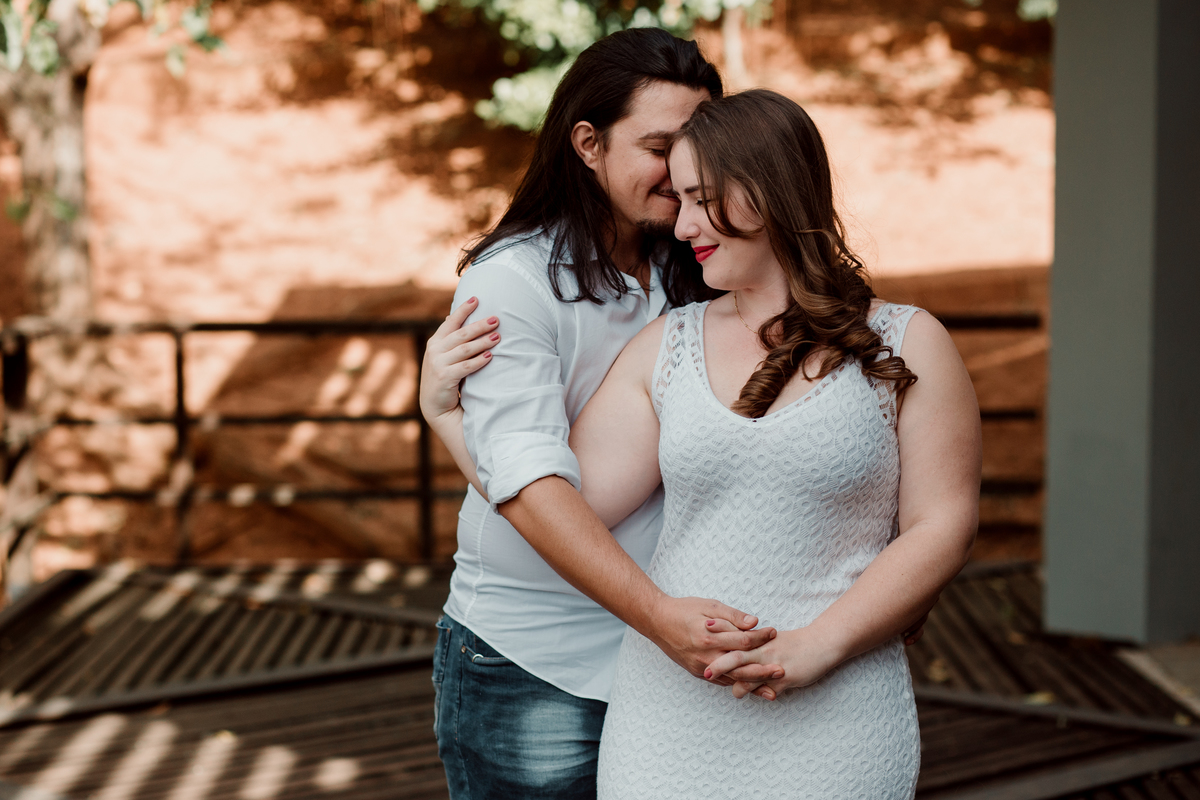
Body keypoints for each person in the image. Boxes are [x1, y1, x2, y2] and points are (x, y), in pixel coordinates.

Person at [555, 89, 981, 797]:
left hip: (839, 712)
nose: (682, 224)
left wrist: (818, 646)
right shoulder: (665, 347)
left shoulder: (909, 342)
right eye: (679, 201)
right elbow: (566, 505)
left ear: (768, 190)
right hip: (669, 717)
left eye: (701, 199)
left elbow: (944, 526)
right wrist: (447, 417)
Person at [417, 29, 788, 800]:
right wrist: (658, 616)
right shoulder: (513, 283)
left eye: (697, 146)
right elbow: (530, 485)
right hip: (537, 667)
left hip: (680, 664)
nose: (683, 170)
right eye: (659, 147)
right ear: (588, 144)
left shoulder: (704, 264)